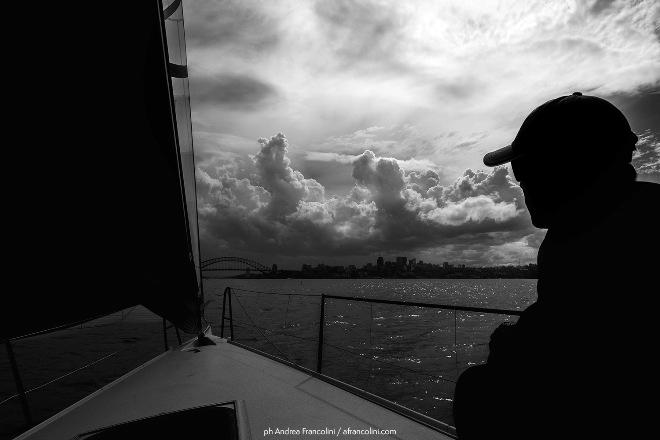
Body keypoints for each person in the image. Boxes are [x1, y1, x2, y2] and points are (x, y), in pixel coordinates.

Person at [453, 92, 660, 439]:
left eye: (525, 170)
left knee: (475, 389)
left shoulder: (589, 239)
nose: (522, 184)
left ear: (561, 168)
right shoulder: (638, 213)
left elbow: (569, 349)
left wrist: (508, 344)